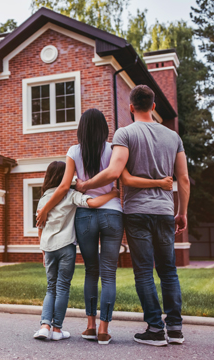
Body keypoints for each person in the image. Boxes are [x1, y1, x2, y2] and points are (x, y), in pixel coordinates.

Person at [36, 108, 173, 345]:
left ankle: (89, 326)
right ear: (104, 129)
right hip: (112, 213)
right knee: (109, 274)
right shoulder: (114, 149)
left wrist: (46, 208)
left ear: (81, 129)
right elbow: (123, 177)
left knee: (91, 270)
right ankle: (103, 329)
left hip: (85, 216)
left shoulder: (73, 151)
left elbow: (63, 187)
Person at [75, 85, 190, 346]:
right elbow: (183, 178)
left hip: (137, 212)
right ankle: (175, 328)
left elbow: (115, 172)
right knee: (168, 271)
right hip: (163, 212)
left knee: (144, 272)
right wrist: (181, 211)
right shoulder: (173, 137)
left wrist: (85, 185)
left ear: (130, 107)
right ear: (154, 106)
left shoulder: (125, 133)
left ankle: (154, 329)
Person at [33, 161, 120, 341]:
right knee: (63, 287)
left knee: (51, 288)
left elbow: (40, 227)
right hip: (66, 248)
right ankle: (57, 329)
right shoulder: (71, 195)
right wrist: (112, 193)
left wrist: (42, 252)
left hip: (48, 249)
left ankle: (44, 326)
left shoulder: (43, 199)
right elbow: (94, 203)